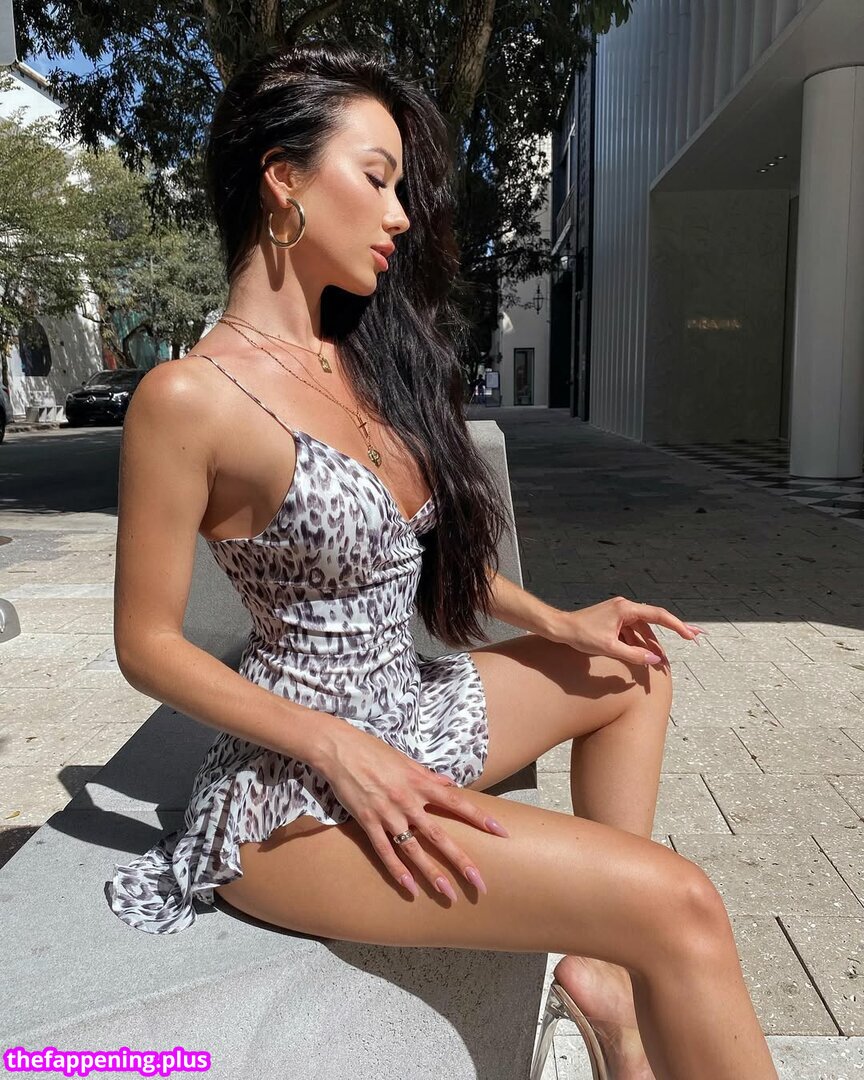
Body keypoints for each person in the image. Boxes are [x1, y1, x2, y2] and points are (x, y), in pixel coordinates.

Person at [106, 39, 778, 1080]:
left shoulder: (357, 360)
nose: (400, 215)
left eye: (401, 190)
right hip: (299, 798)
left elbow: (404, 554)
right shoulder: (188, 397)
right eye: (376, 179)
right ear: (284, 180)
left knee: (632, 670)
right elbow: (146, 644)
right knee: (677, 902)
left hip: (411, 709)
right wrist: (334, 746)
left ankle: (598, 978)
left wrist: (558, 622)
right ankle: (623, 965)